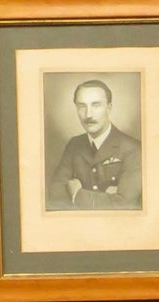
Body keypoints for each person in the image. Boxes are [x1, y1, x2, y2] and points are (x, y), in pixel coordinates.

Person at [47, 79, 142, 209]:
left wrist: (77, 194)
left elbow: (124, 204)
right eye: (81, 106)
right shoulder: (74, 145)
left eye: (96, 105)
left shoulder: (133, 149)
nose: (88, 114)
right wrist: (106, 198)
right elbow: (55, 195)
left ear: (109, 108)